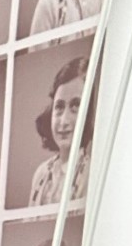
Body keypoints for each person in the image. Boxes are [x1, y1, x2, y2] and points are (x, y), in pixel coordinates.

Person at [28, 56, 90, 207]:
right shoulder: (41, 174)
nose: (64, 121)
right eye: (59, 107)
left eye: (75, 107)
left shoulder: (89, 172)